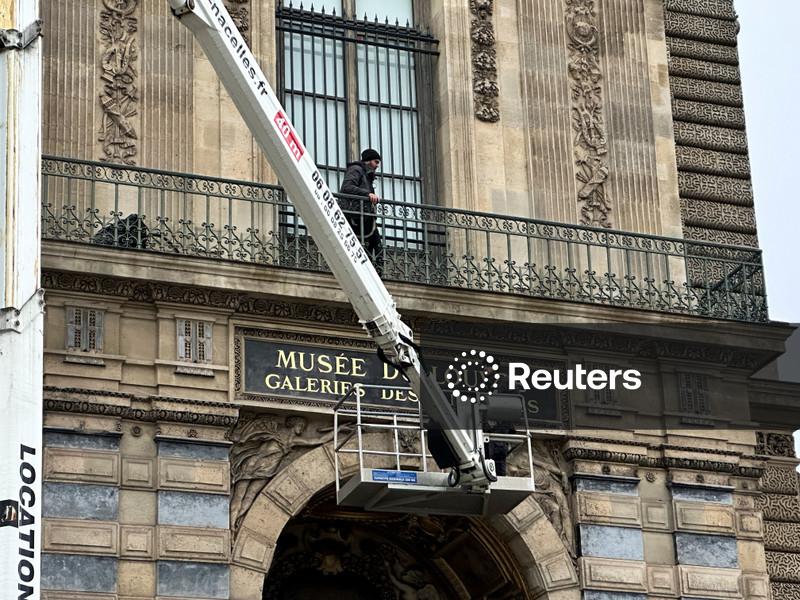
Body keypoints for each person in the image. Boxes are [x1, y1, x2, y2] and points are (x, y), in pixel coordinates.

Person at [340, 148, 383, 274]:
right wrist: (367, 194)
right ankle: (373, 272)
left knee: (376, 246)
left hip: (364, 216)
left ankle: (375, 273)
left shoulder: (367, 176)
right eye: (376, 162)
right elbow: (347, 188)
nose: (377, 165)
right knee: (374, 244)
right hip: (355, 215)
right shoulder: (356, 169)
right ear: (368, 161)